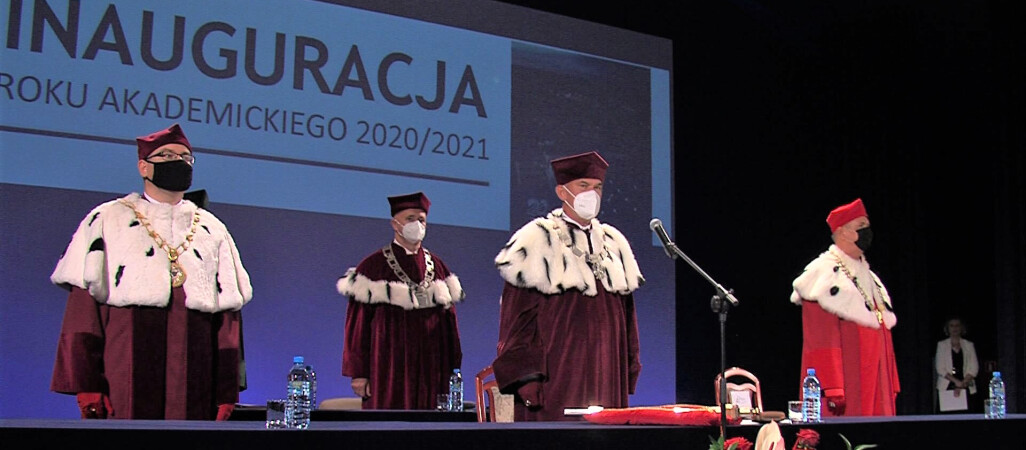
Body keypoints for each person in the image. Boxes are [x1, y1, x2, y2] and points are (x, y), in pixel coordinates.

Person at [49, 123, 253, 420]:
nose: (178, 162)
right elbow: (83, 313)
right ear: (143, 167)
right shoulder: (108, 219)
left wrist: (226, 390)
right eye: (167, 155)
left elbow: (228, 321)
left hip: (196, 382)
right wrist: (87, 386)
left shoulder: (212, 228)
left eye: (186, 157)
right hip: (123, 377)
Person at [491, 151, 644, 421]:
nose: (592, 194)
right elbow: (516, 319)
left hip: (607, 372)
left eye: (597, 187)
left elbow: (628, 318)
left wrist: (629, 368)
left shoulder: (614, 244)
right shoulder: (536, 240)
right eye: (583, 185)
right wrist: (526, 378)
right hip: (557, 376)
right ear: (562, 192)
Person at [336, 192, 464, 409]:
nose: (417, 225)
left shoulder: (438, 266)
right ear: (395, 224)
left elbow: (450, 322)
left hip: (432, 365)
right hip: (388, 364)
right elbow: (357, 324)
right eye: (410, 219)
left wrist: (454, 366)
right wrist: (358, 372)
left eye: (421, 220)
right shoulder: (373, 266)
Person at [790, 198, 900, 416]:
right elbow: (820, 337)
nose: (867, 231)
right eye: (861, 226)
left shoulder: (871, 278)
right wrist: (832, 386)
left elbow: (883, 330)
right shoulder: (822, 274)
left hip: (877, 378)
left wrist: (892, 380)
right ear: (843, 232)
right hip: (849, 381)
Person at [935, 317, 979, 413]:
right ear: (947, 328)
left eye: (957, 325)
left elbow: (974, 368)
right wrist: (956, 382)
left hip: (966, 385)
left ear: (961, 328)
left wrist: (962, 384)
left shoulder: (969, 345)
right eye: (952, 326)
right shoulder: (942, 345)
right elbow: (940, 368)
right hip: (947, 387)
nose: (955, 328)